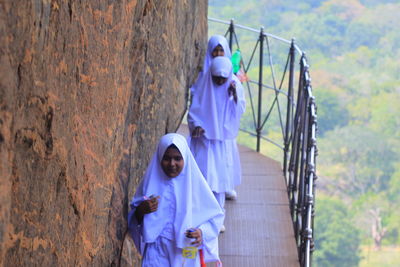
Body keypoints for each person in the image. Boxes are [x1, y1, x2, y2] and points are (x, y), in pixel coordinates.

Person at [127, 133, 224, 266]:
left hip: (185, 250)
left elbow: (215, 217)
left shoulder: (195, 185)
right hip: (156, 249)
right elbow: (133, 219)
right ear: (159, 158)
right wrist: (140, 210)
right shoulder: (149, 184)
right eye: (167, 158)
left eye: (177, 158)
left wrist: (202, 232)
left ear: (185, 159)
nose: (172, 164)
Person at [187, 56, 246, 231]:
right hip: (203, 142)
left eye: (223, 78)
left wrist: (233, 96)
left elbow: (238, 110)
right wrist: (196, 126)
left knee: (219, 181)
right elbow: (194, 112)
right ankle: (200, 216)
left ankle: (217, 218)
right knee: (203, 178)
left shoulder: (232, 86)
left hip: (221, 144)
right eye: (216, 78)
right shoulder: (204, 86)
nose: (220, 81)